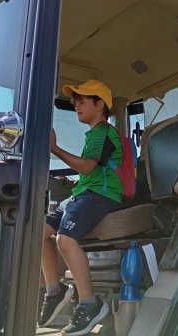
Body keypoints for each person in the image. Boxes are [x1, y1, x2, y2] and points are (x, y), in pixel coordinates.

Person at [38, 80, 123, 335]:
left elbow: (87, 167)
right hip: (82, 194)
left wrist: (53, 148)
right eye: (75, 102)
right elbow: (88, 173)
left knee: (65, 239)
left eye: (82, 101)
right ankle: (55, 290)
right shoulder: (93, 135)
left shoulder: (104, 132)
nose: (76, 106)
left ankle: (90, 303)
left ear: (100, 105)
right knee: (38, 234)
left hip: (100, 195)